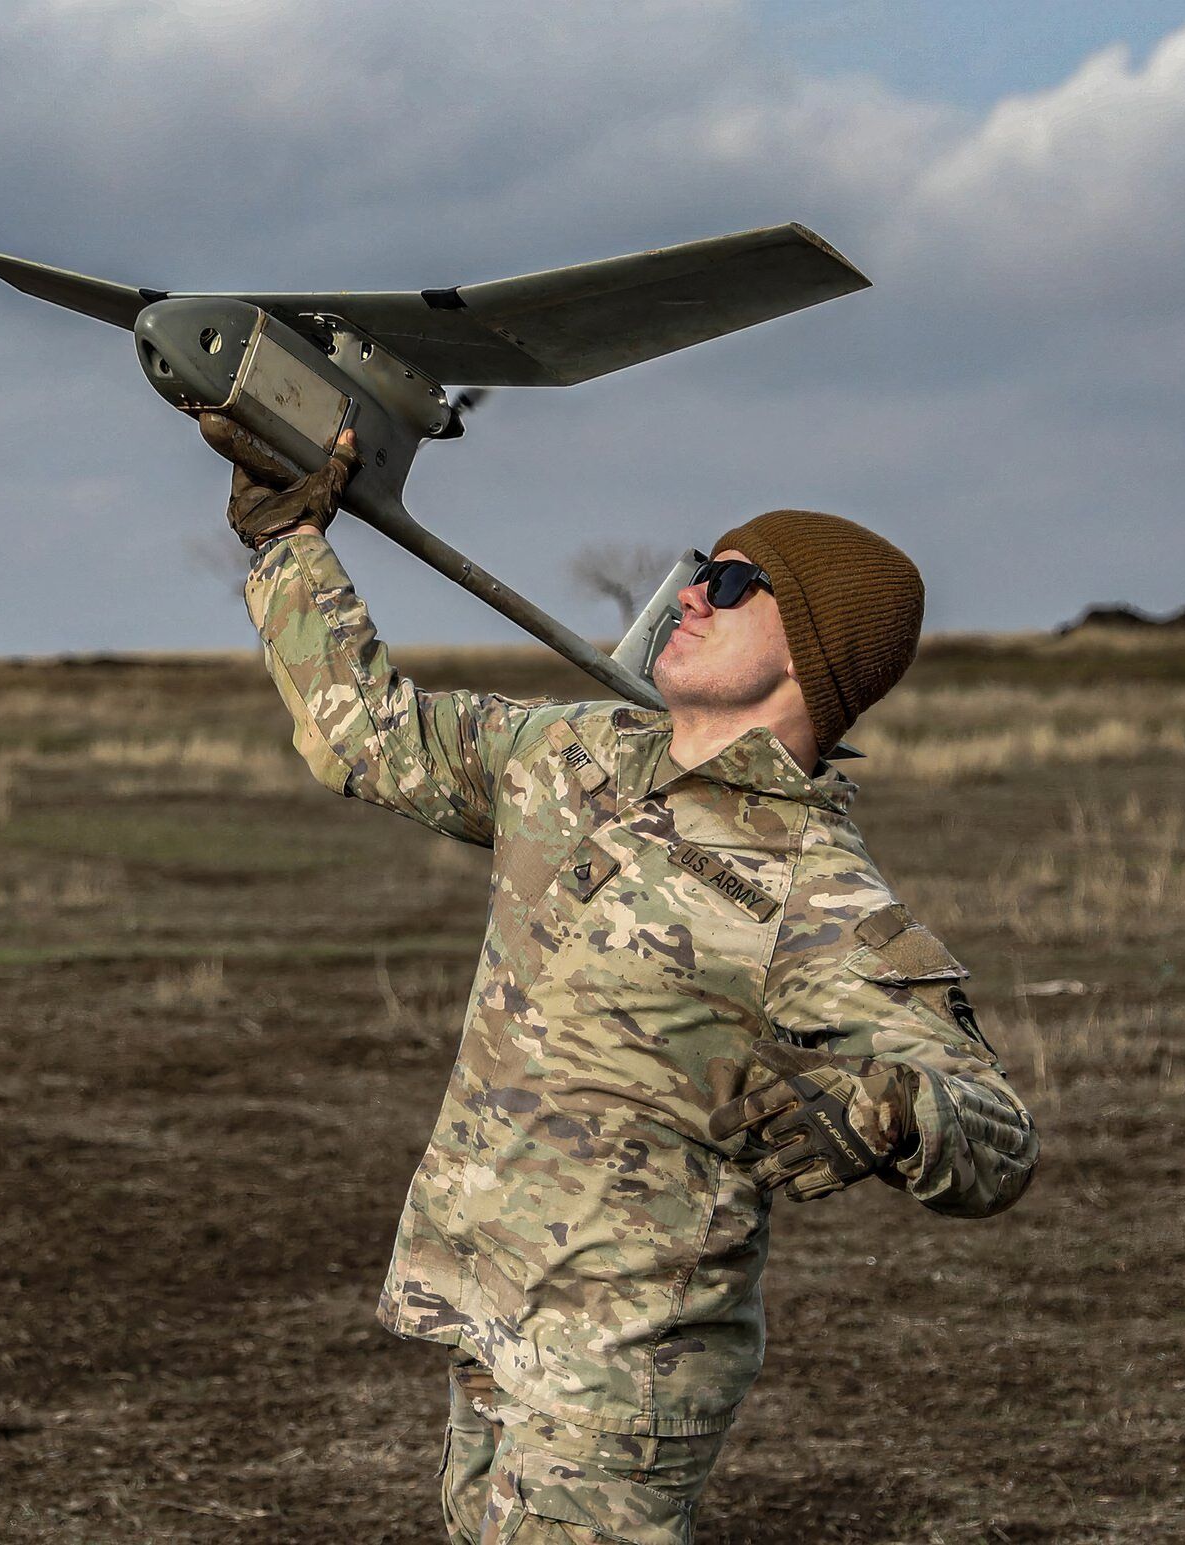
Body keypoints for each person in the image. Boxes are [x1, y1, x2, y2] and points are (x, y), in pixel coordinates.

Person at [206, 419, 1039, 1544]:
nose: (690, 593)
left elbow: (993, 1133)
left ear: (817, 651)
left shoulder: (812, 887)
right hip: (487, 1310)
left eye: (734, 583)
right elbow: (373, 737)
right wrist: (289, 539)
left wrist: (878, 1109)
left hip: (621, 1371)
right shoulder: (573, 753)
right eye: (700, 569)